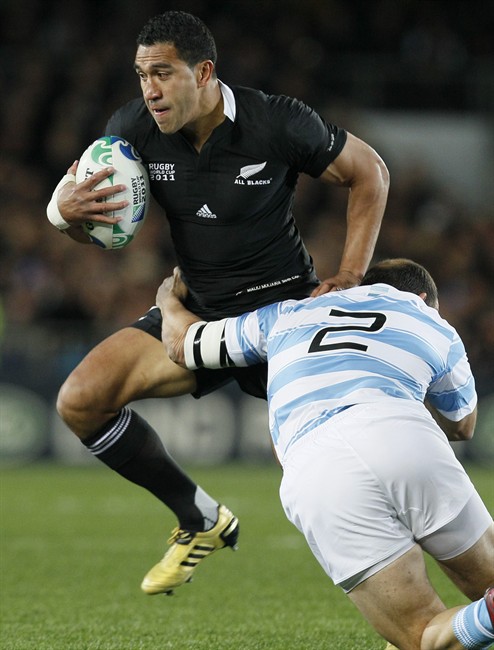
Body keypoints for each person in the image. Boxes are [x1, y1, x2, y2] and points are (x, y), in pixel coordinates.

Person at [45, 10, 389, 596]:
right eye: (140, 74)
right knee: (80, 401)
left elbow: (371, 173)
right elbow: (101, 228)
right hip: (197, 318)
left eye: (162, 73)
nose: (149, 89)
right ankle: (199, 517)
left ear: (204, 72)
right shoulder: (131, 128)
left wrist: (351, 273)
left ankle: (415, 606)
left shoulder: (275, 121)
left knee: (330, 482)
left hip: (281, 321)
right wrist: (69, 221)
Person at [156, 258, 494, 650]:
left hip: (314, 466)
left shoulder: (286, 315)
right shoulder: (429, 319)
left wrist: (167, 299)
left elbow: (182, 345)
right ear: (422, 298)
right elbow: (462, 425)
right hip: (402, 430)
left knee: (421, 636)